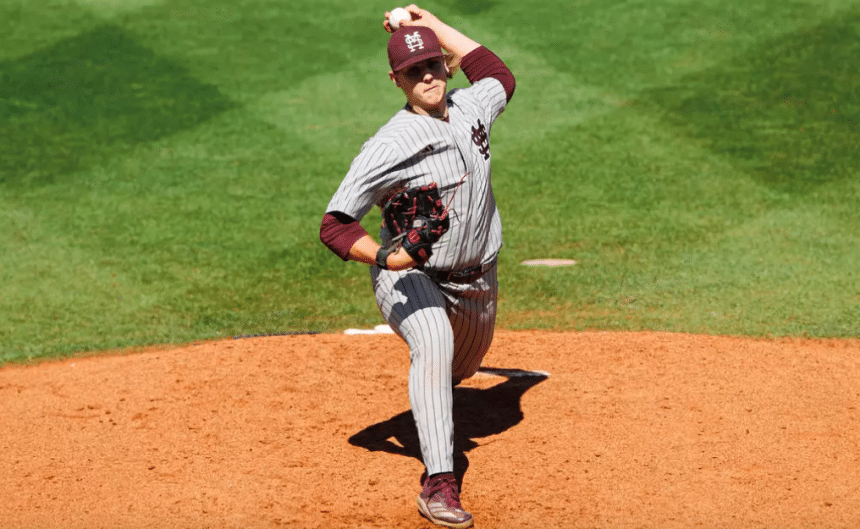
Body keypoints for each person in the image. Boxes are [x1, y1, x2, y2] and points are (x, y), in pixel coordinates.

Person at [319, 5, 515, 528]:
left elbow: (497, 73)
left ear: (445, 65)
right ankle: (438, 482)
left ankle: (435, 395)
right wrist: (388, 257)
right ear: (396, 80)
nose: (426, 75)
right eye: (413, 70)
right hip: (411, 276)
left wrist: (427, 20)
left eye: (432, 63)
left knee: (460, 369)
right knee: (432, 342)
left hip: (477, 282)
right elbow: (335, 225)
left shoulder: (472, 108)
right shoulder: (389, 145)